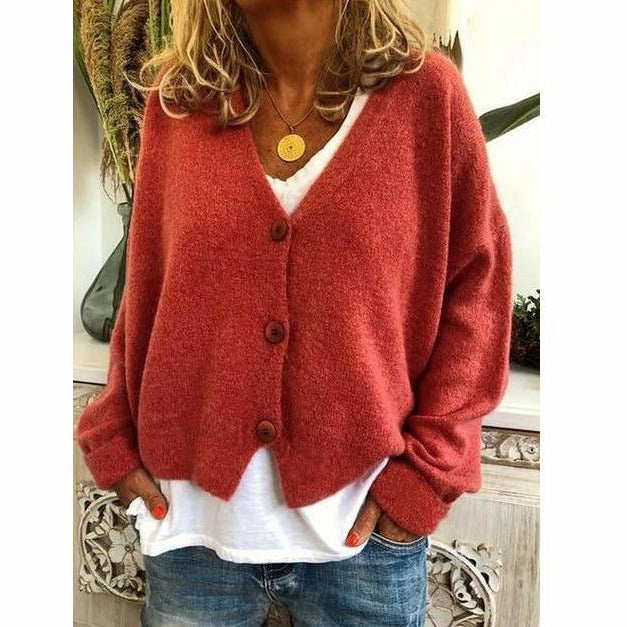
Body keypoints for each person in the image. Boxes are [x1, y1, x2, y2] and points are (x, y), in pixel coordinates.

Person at [77, 1, 513, 625]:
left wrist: (426, 475)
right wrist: (113, 437)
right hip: (192, 535)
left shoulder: (425, 98)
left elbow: (479, 290)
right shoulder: (180, 103)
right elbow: (146, 287)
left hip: (364, 543)